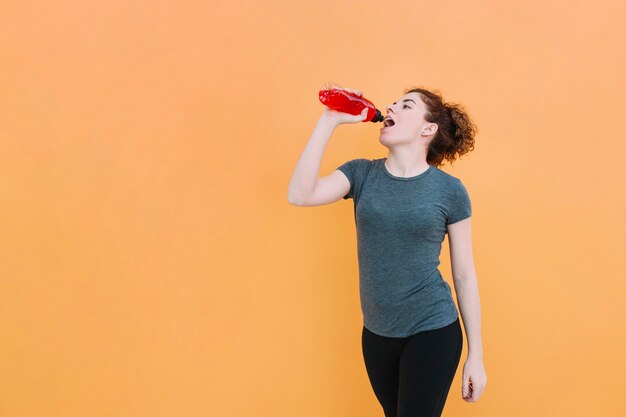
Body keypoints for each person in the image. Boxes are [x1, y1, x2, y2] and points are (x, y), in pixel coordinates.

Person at [288, 86, 487, 417]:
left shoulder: (450, 191)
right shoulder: (361, 173)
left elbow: (464, 274)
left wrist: (476, 355)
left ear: (428, 128)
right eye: (393, 103)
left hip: (432, 328)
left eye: (405, 105)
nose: (390, 108)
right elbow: (300, 194)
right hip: (377, 334)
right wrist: (329, 121)